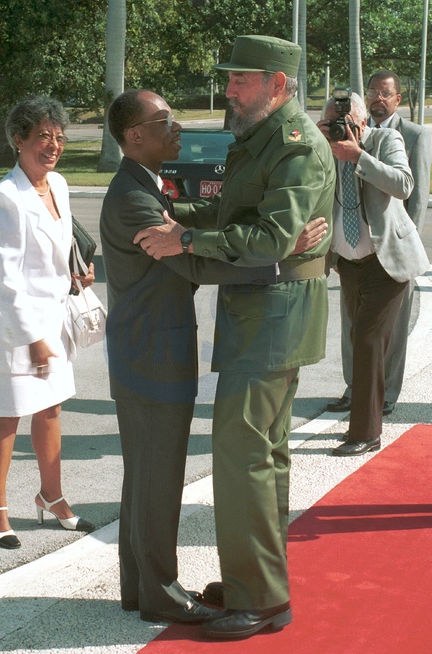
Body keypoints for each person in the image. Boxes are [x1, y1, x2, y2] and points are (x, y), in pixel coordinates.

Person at [134, 35, 336, 639]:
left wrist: (185, 240)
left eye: (240, 79)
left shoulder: (296, 146)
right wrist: (181, 218)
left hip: (275, 312)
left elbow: (271, 238)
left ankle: (262, 599)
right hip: (262, 310)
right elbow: (235, 216)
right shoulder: (262, 138)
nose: (228, 90)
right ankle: (259, 581)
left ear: (277, 84)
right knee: (264, 455)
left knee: (242, 453)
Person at [99, 88, 293, 626]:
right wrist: (278, 258)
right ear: (135, 135)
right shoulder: (135, 198)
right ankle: (161, 594)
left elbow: (193, 235)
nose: (177, 126)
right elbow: (193, 266)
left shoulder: (146, 185)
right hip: (152, 356)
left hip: (149, 350)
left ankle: (140, 588)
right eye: (165, 120)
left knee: (145, 475)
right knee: (157, 477)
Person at [0, 96, 95, 550]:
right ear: (18, 140)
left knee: (50, 409)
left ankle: (52, 496)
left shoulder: (60, 185)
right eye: (43, 137)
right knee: (7, 414)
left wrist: (76, 271)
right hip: (14, 324)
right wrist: (31, 339)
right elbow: (5, 280)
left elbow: (58, 245)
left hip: (54, 318)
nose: (54, 146)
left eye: (59, 137)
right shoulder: (4, 199)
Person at [317, 92, 429, 457]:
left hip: (387, 263)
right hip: (349, 263)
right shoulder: (323, 148)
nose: (339, 130)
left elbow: (404, 184)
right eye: (331, 123)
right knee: (361, 340)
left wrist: (359, 157)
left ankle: (365, 434)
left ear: (363, 123)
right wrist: (317, 144)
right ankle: (367, 419)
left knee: (367, 340)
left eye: (345, 124)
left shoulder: (385, 139)